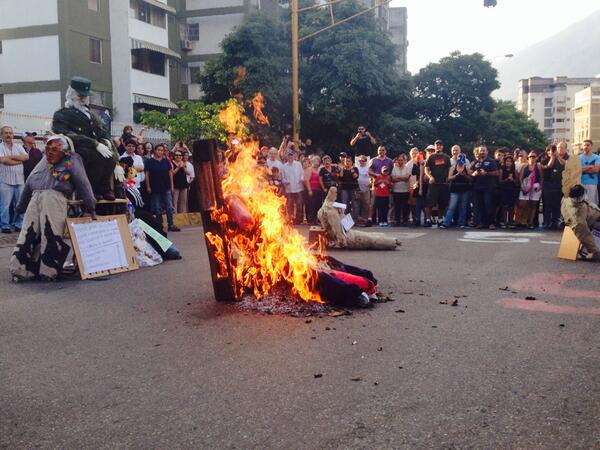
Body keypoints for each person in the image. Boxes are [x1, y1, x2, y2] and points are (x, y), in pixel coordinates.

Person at [9, 135, 96, 281]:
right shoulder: (44, 160)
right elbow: (30, 180)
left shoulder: (72, 159)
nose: (50, 152)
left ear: (65, 150)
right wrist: (20, 206)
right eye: (48, 148)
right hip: (36, 197)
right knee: (28, 233)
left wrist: (90, 206)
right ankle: (20, 269)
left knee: (50, 234)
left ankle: (48, 272)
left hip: (54, 197)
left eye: (55, 149)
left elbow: (83, 183)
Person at [52, 77, 121, 201]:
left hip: (96, 147)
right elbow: (66, 133)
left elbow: (104, 133)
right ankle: (90, 190)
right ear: (72, 94)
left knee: (109, 157)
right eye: (80, 96)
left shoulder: (92, 115)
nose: (83, 99)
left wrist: (116, 160)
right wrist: (94, 143)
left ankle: (105, 188)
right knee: (95, 157)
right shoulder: (62, 114)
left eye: (85, 96)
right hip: (77, 148)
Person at [145, 144, 180, 232]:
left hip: (166, 187)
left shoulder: (166, 161)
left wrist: (172, 186)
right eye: (158, 150)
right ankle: (159, 225)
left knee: (169, 206)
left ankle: (171, 224)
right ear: (154, 151)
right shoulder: (150, 161)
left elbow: (170, 174)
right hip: (155, 188)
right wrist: (148, 186)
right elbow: (147, 174)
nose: (160, 152)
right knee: (157, 207)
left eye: (161, 150)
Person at [0, 126, 29, 233]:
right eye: (6, 133)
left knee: (20, 204)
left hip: (19, 180)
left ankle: (19, 224)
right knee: (5, 205)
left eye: (10, 133)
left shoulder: (18, 146)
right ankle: (5, 225)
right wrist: (18, 160)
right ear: (1, 135)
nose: (8, 135)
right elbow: (3, 160)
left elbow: (26, 157)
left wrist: (10, 157)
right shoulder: (0, 147)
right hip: (5, 181)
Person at [561, 184, 600, 261]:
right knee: (587, 234)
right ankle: (589, 250)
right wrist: (596, 252)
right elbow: (585, 236)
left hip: (592, 217)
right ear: (580, 197)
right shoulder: (578, 214)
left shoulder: (566, 198)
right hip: (594, 223)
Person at [470, 145, 500, 229]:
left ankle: (491, 223)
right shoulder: (476, 162)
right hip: (477, 188)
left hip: (488, 188)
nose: (482, 152)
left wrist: (486, 173)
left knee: (489, 205)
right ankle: (482, 223)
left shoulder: (491, 161)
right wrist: (475, 174)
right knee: (479, 206)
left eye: (484, 150)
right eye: (480, 151)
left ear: (487, 151)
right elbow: (471, 173)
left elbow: (497, 173)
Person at [441, 154, 472, 228]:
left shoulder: (467, 168)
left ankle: (461, 223)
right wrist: (457, 175)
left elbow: (471, 179)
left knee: (463, 207)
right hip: (454, 190)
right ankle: (446, 223)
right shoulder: (453, 167)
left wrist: (464, 175)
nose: (461, 163)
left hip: (465, 189)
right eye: (459, 161)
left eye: (462, 161)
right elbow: (448, 178)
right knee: (452, 206)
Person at [425, 139, 451, 226]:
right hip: (433, 184)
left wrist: (448, 177)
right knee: (430, 203)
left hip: (443, 184)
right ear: (435, 146)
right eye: (437, 145)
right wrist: (430, 177)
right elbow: (426, 169)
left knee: (442, 203)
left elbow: (449, 169)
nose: (438, 146)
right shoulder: (431, 157)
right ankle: (428, 220)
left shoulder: (446, 157)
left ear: (442, 146)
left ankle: (440, 220)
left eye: (440, 145)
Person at [540, 144, 565, 229]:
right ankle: (547, 222)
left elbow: (564, 164)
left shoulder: (559, 159)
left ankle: (555, 222)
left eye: (553, 150)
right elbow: (549, 166)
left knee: (556, 204)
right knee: (547, 204)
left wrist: (557, 156)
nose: (551, 152)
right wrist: (553, 157)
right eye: (549, 150)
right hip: (547, 184)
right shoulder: (544, 160)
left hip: (558, 184)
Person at [518, 151, 544, 229]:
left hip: (535, 186)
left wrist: (540, 186)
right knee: (523, 204)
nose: (532, 158)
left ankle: (530, 222)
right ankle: (522, 221)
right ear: (528, 157)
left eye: (534, 156)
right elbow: (520, 177)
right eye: (530, 156)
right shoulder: (524, 166)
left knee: (533, 205)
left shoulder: (538, 166)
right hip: (526, 185)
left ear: (536, 158)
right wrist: (521, 186)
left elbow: (542, 177)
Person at [281, 148, 305, 224]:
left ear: (293, 156)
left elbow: (302, 174)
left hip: (298, 188)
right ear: (287, 157)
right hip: (289, 189)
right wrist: (285, 181)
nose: (290, 157)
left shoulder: (298, 164)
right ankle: (291, 219)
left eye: (291, 156)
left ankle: (298, 220)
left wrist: (301, 179)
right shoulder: (284, 166)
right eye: (289, 156)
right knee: (290, 205)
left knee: (299, 204)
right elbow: (282, 177)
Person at [498, 155, 519, 228]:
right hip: (504, 189)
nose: (508, 163)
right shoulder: (501, 170)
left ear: (512, 163)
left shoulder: (514, 171)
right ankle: (504, 222)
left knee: (511, 207)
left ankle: (510, 222)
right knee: (504, 206)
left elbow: (517, 181)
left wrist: (512, 179)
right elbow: (499, 181)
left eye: (510, 161)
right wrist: (507, 179)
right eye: (507, 161)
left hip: (512, 190)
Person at [391, 153, 411, 226]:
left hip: (405, 190)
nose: (400, 161)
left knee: (405, 206)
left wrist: (398, 178)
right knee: (397, 206)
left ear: (404, 160)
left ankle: (405, 220)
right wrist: (402, 178)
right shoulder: (394, 168)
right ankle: (397, 220)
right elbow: (393, 179)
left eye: (401, 160)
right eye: (399, 160)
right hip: (396, 190)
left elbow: (407, 178)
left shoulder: (407, 168)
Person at [171, 149, 192, 213]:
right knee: (175, 202)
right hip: (175, 185)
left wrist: (183, 167)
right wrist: (178, 167)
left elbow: (188, 173)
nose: (178, 156)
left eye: (180, 155)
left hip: (183, 184)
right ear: (174, 156)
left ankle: (183, 216)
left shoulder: (183, 163)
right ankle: (175, 217)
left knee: (183, 202)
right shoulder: (171, 163)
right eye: (176, 155)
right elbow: (172, 173)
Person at [579, 139, 599, 205]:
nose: (586, 147)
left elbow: (596, 169)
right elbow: (577, 170)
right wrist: (590, 166)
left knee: (592, 204)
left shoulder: (597, 157)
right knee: (582, 204)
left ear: (591, 146)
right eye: (584, 145)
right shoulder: (578, 158)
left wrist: (582, 169)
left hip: (592, 183)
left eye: (588, 145)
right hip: (581, 183)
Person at [305, 155, 323, 225]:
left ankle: (317, 220)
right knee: (312, 205)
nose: (316, 162)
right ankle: (312, 220)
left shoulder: (320, 170)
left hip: (319, 190)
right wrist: (309, 190)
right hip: (312, 189)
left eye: (318, 161)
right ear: (312, 161)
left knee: (318, 205)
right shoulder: (310, 169)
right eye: (315, 161)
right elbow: (307, 181)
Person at [355, 155, 371, 226]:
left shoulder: (368, 168)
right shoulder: (356, 168)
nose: (361, 162)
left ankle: (365, 220)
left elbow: (371, 177)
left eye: (362, 160)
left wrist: (370, 184)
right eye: (359, 160)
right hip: (357, 189)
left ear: (365, 161)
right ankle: (357, 220)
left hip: (366, 189)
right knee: (357, 205)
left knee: (366, 204)